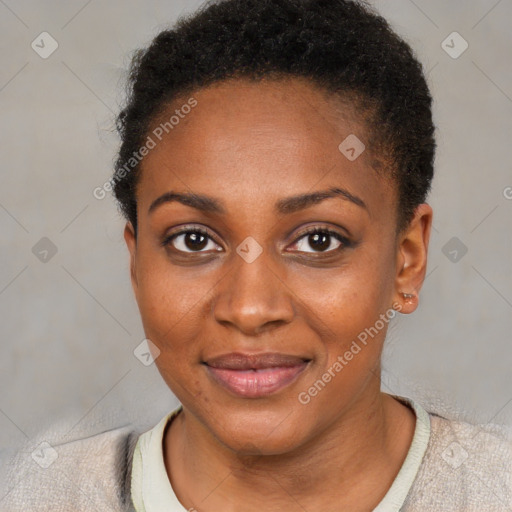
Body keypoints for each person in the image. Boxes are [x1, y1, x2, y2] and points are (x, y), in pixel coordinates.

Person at [2, 0, 512, 510]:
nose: (249, 309)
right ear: (137, 264)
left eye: (318, 240)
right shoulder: (43, 494)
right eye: (194, 240)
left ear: (407, 259)